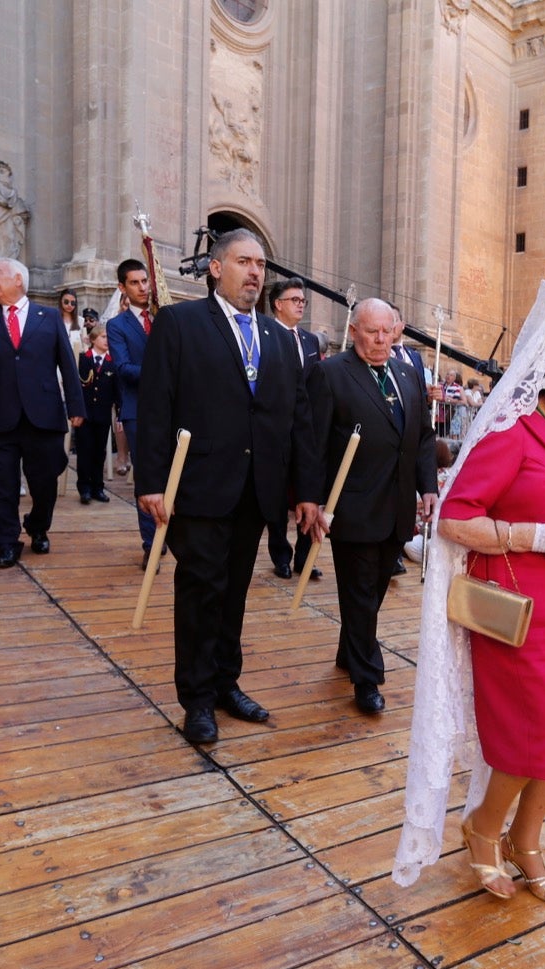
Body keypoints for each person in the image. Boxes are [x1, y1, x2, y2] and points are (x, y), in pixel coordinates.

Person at [392, 290, 545, 903]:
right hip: (518, 619)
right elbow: (454, 519)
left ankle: (527, 839)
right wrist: (531, 535)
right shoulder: (511, 438)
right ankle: (484, 829)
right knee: (527, 738)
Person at [136, 228, 324, 745]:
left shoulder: (281, 341)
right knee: (200, 592)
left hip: (256, 492)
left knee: (235, 592)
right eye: (245, 261)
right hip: (197, 488)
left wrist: (307, 492)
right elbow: (155, 406)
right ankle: (196, 700)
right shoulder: (179, 323)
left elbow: (298, 421)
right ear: (217, 269)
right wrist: (151, 482)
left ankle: (225, 683)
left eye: (261, 264)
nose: (256, 272)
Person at [306, 298, 437, 714]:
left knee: (375, 590)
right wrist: (312, 500)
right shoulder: (329, 374)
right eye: (372, 331)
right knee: (360, 595)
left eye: (388, 330)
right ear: (354, 331)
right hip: (352, 508)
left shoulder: (407, 373)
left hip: (397, 508)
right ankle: (367, 680)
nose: (381, 339)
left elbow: (423, 436)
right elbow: (313, 443)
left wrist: (427, 486)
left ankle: (350, 650)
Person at [0, 258, 85, 569]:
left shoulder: (49, 317)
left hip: (43, 415)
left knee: (45, 481)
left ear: (18, 279)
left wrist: (76, 406)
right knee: (4, 483)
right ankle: (6, 541)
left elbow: (66, 365)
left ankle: (38, 525)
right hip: (2, 413)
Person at [265, 277, 321, 580]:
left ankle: (303, 557)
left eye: (303, 301)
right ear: (278, 304)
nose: (300, 304)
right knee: (275, 497)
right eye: (295, 300)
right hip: (274, 431)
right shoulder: (265, 334)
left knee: (306, 492)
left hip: (305, 432)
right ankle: (280, 555)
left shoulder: (310, 341)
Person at [107, 258, 158, 567]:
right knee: (147, 477)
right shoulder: (117, 326)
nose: (143, 287)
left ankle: (169, 534)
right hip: (138, 410)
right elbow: (123, 368)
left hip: (170, 409)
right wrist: (162, 372)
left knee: (170, 474)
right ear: (122, 287)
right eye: (135, 282)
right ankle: (151, 543)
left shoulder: (165, 317)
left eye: (145, 281)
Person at [73, 324, 120, 505]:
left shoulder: (112, 362)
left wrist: (119, 413)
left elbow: (117, 391)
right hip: (85, 415)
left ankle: (97, 487)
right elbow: (77, 387)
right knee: (84, 451)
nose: (107, 340)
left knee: (99, 452)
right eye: (103, 337)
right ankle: (84, 488)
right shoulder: (83, 359)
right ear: (93, 339)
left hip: (102, 414)